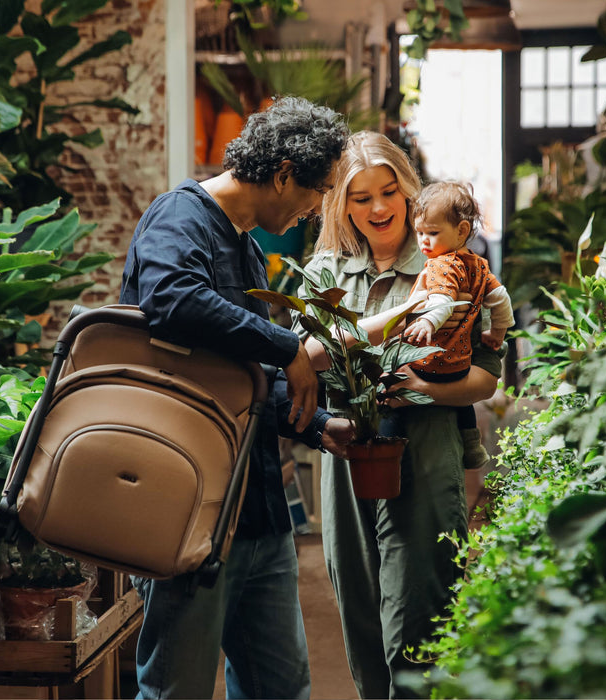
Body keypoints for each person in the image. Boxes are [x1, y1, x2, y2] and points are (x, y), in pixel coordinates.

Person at [119, 95, 354, 700]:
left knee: (282, 688)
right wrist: (289, 347)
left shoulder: (246, 244)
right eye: (318, 190)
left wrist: (315, 423)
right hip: (188, 509)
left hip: (257, 515)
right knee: (178, 690)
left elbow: (240, 378)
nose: (315, 208)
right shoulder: (179, 216)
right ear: (282, 173)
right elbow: (172, 299)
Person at [292, 131, 503, 699]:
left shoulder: (453, 266)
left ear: (410, 193)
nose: (379, 208)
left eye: (389, 191)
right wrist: (394, 321)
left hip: (428, 450)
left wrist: (423, 388)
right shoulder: (325, 273)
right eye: (361, 197)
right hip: (347, 455)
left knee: (419, 619)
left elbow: (487, 376)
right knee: (360, 612)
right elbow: (299, 360)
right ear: (342, 204)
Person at [402, 181, 515, 468]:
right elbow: (501, 298)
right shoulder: (478, 266)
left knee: (393, 406)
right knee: (461, 402)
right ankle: (472, 445)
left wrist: (428, 320)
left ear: (462, 231)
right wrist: (497, 332)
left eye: (433, 233)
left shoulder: (442, 265)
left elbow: (441, 299)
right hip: (461, 364)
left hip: (431, 363)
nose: (424, 241)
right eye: (419, 233)